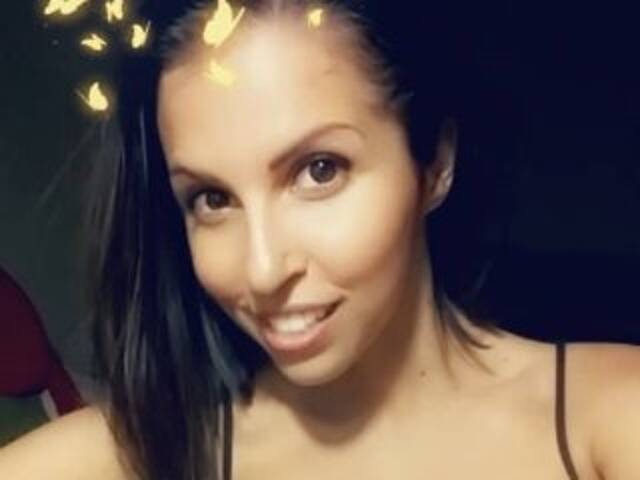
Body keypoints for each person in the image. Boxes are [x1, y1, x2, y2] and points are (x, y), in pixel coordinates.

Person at [1, 1, 639, 479]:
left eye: (319, 170)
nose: (261, 269)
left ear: (435, 162)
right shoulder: (147, 453)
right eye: (213, 199)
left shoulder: (607, 419)